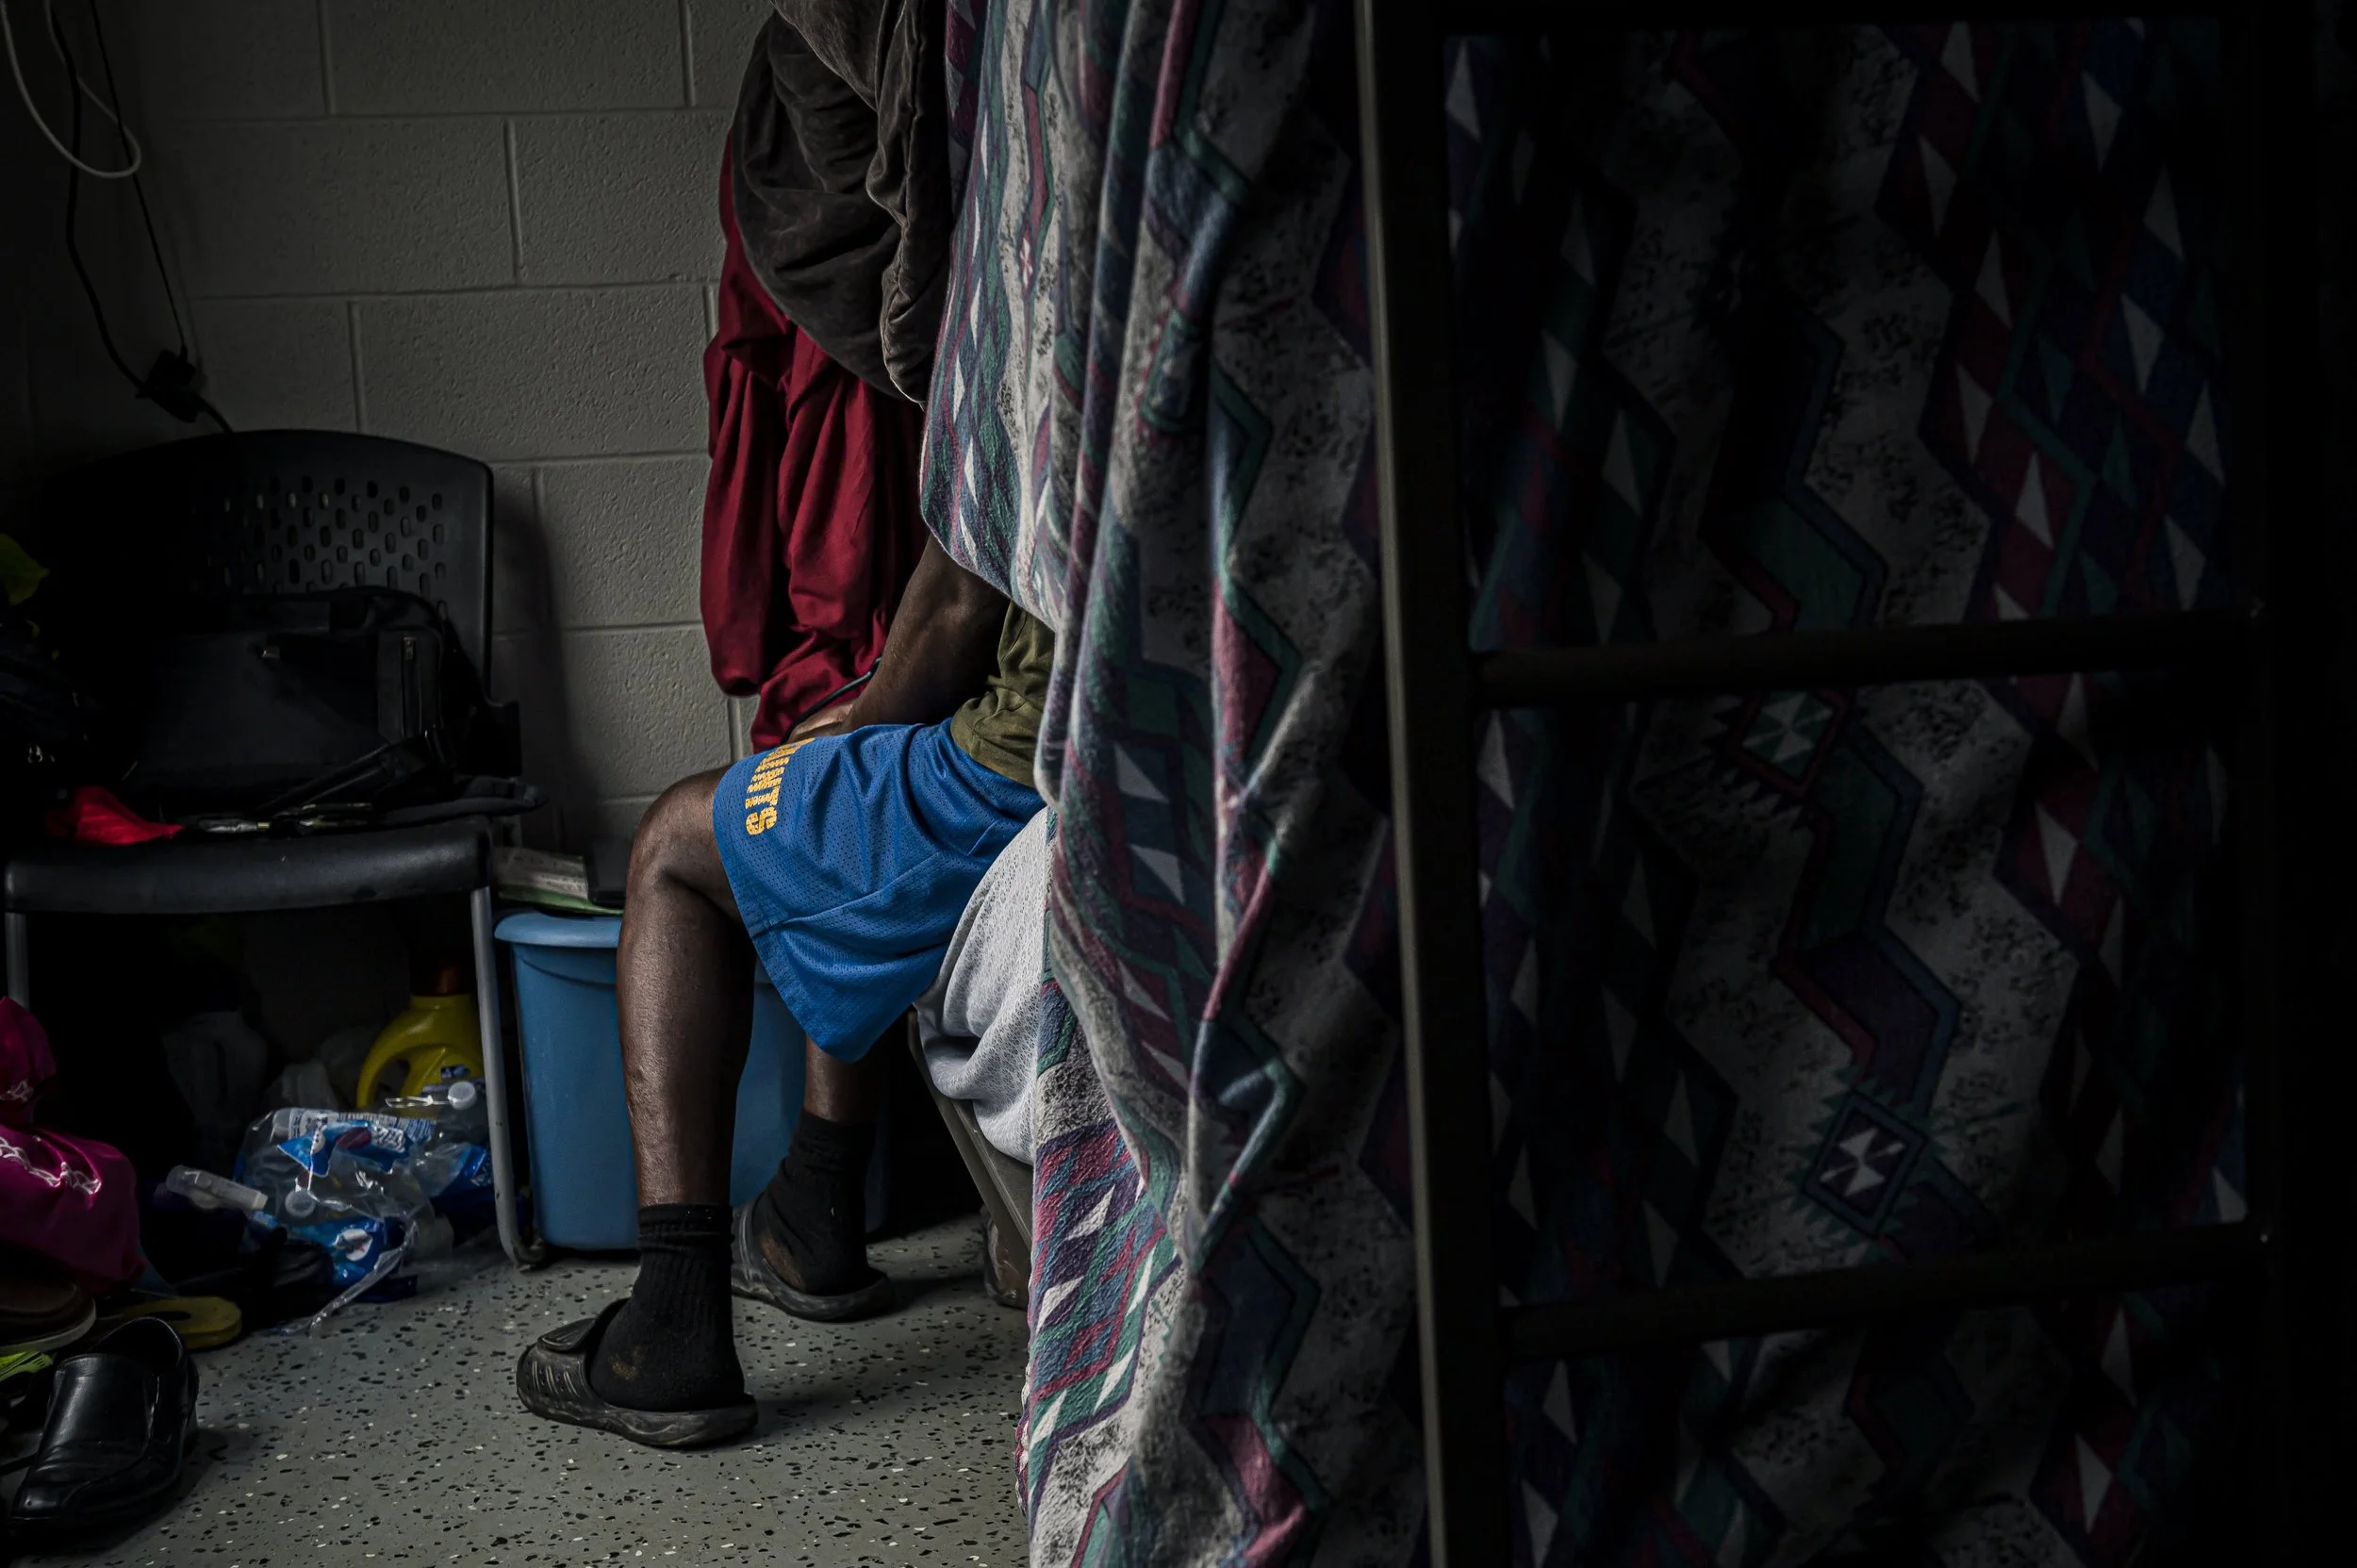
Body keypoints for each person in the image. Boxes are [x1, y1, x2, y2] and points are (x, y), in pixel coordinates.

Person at [516, 538, 1051, 1448]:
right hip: (1168, 759)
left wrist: (861, 725)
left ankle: (674, 1322)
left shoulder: (1013, 387)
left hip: (1021, 770)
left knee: (677, 843)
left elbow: (963, 600)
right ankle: (814, 1207)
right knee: (827, 821)